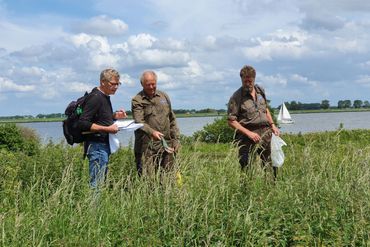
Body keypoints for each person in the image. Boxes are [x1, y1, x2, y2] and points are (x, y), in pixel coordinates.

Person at [227, 65, 280, 177]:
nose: (247, 83)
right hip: (247, 136)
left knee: (270, 166)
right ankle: (247, 191)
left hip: (266, 133)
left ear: (254, 79)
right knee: (247, 168)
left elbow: (265, 109)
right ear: (241, 79)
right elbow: (231, 121)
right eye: (245, 81)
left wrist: (272, 125)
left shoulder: (260, 91)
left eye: (250, 81)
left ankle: (271, 189)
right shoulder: (236, 97)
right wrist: (249, 133)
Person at [78, 68, 127, 188]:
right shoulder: (96, 97)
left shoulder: (104, 96)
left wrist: (114, 116)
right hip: (97, 146)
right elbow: (83, 123)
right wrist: (108, 129)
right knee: (96, 185)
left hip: (102, 146)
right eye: (113, 84)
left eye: (118, 84)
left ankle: (96, 206)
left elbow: (99, 118)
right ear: (102, 82)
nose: (115, 87)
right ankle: (93, 207)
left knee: (100, 183)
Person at [131, 70, 180, 177]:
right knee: (148, 179)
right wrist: (152, 132)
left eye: (154, 84)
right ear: (142, 84)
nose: (152, 87)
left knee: (168, 178)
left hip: (166, 145)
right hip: (146, 147)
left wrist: (176, 139)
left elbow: (172, 119)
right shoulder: (137, 100)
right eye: (148, 85)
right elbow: (139, 122)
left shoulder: (164, 96)